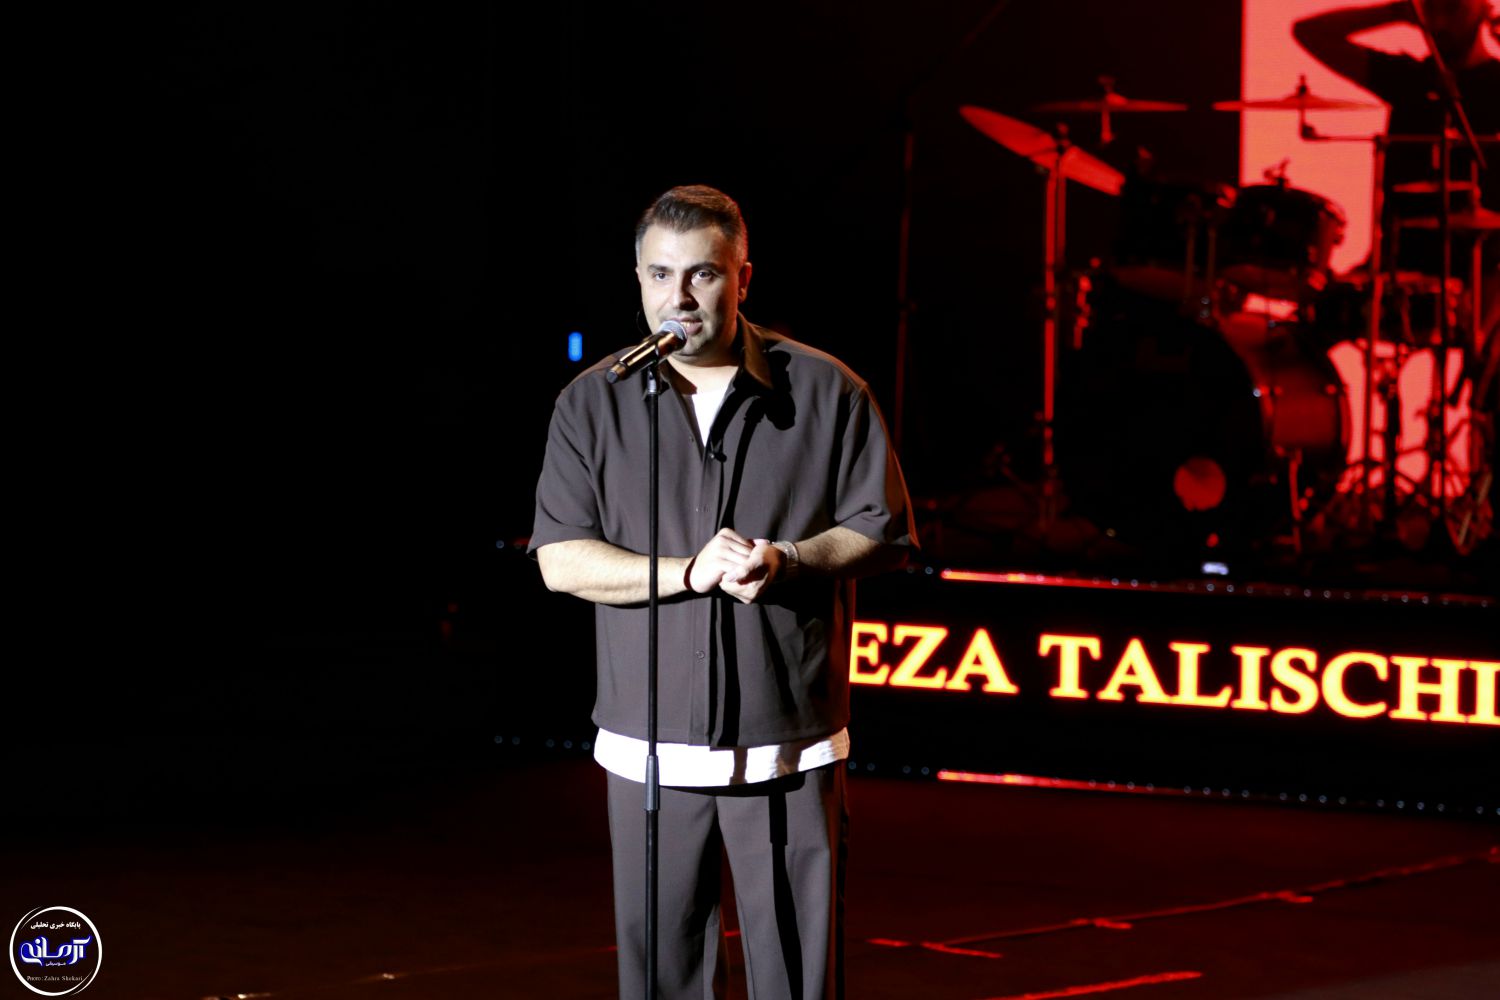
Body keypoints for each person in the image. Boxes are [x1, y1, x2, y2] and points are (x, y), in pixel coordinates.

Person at [529, 184, 916, 999]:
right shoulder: (593, 401)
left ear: (743, 278)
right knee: (662, 979)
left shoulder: (828, 390)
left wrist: (790, 559)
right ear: (638, 278)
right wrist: (687, 572)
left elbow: (883, 531)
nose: (678, 297)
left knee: (798, 980)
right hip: (648, 743)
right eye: (659, 274)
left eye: (702, 274)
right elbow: (560, 560)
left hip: (787, 740)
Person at [1294, 0, 1499, 339]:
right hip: (1399, 261)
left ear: (1481, 7)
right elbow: (1310, 33)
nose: (1441, 22)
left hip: (1483, 265)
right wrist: (1395, 12)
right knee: (1307, 326)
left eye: (1453, 8)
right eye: (1432, 9)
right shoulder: (1409, 79)